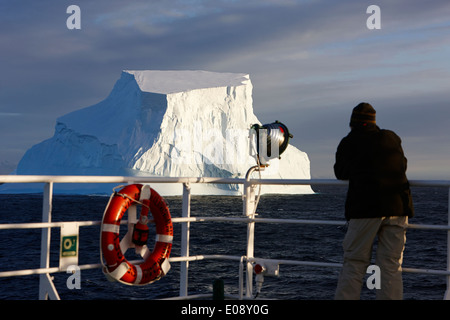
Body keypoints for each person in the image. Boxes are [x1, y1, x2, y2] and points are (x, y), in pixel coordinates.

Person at [334, 102, 414, 300]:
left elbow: (340, 172)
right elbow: (402, 165)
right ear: (373, 122)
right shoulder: (391, 138)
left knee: (355, 262)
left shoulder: (349, 142)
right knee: (390, 265)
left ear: (353, 123)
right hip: (398, 207)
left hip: (365, 209)